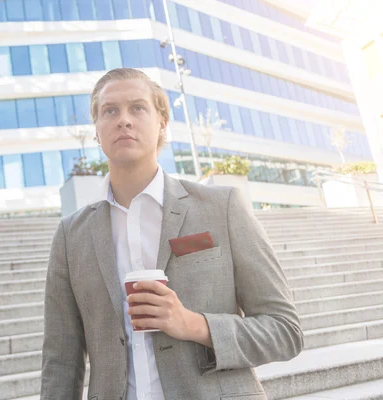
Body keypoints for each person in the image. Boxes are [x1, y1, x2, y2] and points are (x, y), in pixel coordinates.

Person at [40, 68, 303, 400]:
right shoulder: (70, 235)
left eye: (137, 107)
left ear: (162, 121)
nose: (123, 120)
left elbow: (285, 331)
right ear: (96, 130)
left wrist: (192, 324)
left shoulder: (222, 207)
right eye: (110, 111)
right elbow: (61, 362)